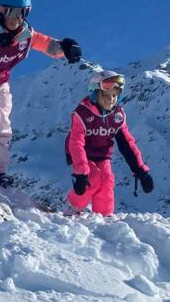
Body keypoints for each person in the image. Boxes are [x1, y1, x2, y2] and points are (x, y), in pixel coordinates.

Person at [0, 0, 81, 187]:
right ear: (0, 11)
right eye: (9, 12)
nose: (15, 18)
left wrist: (66, 48)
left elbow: (49, 46)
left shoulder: (27, 36)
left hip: (1, 81)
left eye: (21, 12)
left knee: (4, 126)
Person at [65, 70, 153, 216]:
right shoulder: (82, 114)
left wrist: (141, 171)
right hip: (81, 152)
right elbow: (76, 143)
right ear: (94, 94)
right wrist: (80, 173)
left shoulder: (117, 116)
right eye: (106, 95)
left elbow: (127, 145)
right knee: (92, 177)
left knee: (106, 181)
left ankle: (104, 216)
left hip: (102, 154)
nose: (111, 99)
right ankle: (73, 207)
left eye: (114, 95)